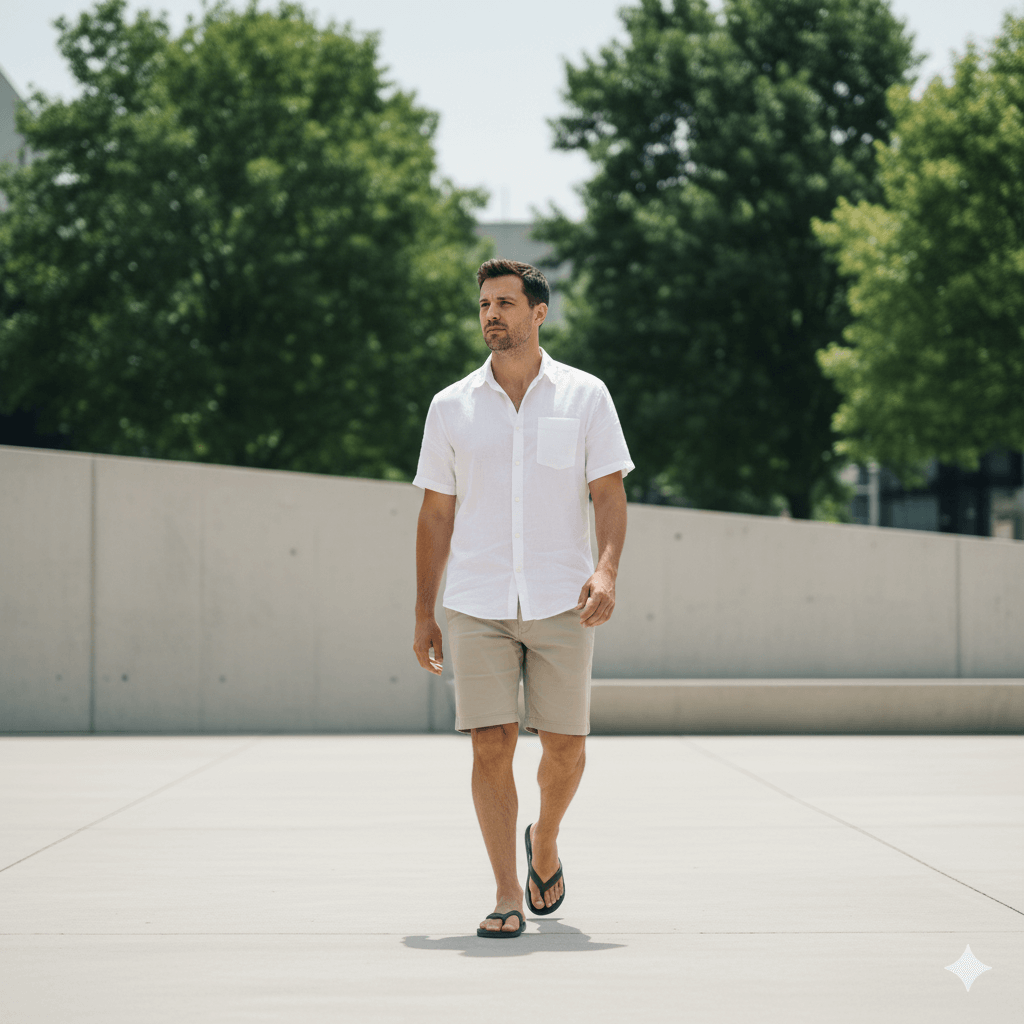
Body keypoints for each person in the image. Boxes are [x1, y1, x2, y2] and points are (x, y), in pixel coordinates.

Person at [412, 258, 632, 937]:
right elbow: (436, 514)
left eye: (505, 303)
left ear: (539, 313)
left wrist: (607, 570)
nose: (491, 315)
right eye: (484, 304)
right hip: (476, 599)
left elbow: (608, 495)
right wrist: (424, 610)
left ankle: (545, 841)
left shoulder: (586, 396)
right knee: (489, 743)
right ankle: (507, 890)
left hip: (563, 597)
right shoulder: (450, 406)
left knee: (565, 746)